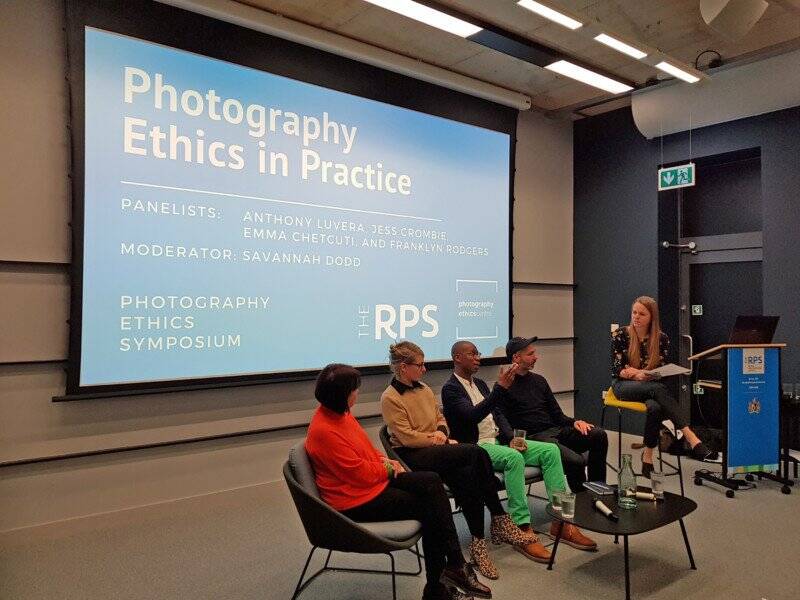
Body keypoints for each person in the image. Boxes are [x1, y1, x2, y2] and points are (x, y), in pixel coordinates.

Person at [306, 363, 490, 600]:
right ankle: (441, 583)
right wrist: (388, 467)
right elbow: (358, 472)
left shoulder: (339, 413)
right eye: (355, 389)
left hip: (369, 485)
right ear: (343, 395)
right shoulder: (324, 430)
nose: (358, 393)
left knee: (431, 482)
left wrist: (384, 461)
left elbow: (364, 451)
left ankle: (452, 568)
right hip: (355, 500)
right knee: (431, 509)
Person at [381, 342, 532, 581]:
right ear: (403, 367)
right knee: (474, 452)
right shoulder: (390, 397)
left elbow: (440, 417)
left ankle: (478, 545)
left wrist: (441, 432)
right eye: (419, 365)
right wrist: (436, 439)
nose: (424, 369)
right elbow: (406, 437)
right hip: (413, 454)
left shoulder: (424, 389)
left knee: (468, 479)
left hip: (436, 447)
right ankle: (500, 518)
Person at [442, 341, 597, 559]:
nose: (477, 357)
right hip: (476, 447)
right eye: (471, 354)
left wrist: (511, 437)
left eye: (478, 353)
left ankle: (560, 521)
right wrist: (499, 389)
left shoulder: (479, 384)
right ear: (457, 358)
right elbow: (471, 416)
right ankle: (521, 527)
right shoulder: (450, 389)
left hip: (499, 441)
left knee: (550, 451)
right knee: (513, 458)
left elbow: (497, 414)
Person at [611, 296, 715, 476]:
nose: (636, 317)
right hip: (623, 387)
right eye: (634, 312)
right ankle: (691, 438)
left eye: (642, 314)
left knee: (655, 407)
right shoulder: (621, 334)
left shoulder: (661, 338)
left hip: (651, 387)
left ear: (652, 317)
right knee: (658, 390)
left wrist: (639, 373)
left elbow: (661, 373)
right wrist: (640, 374)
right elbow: (618, 370)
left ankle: (648, 458)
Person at [500, 336, 608, 504]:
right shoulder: (504, 386)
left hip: (555, 430)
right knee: (576, 460)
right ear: (516, 358)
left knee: (598, 435)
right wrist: (511, 439)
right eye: (530, 354)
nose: (535, 357)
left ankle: (598, 489)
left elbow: (558, 415)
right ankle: (584, 500)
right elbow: (501, 420)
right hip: (534, 437)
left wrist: (574, 422)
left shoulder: (539, 380)